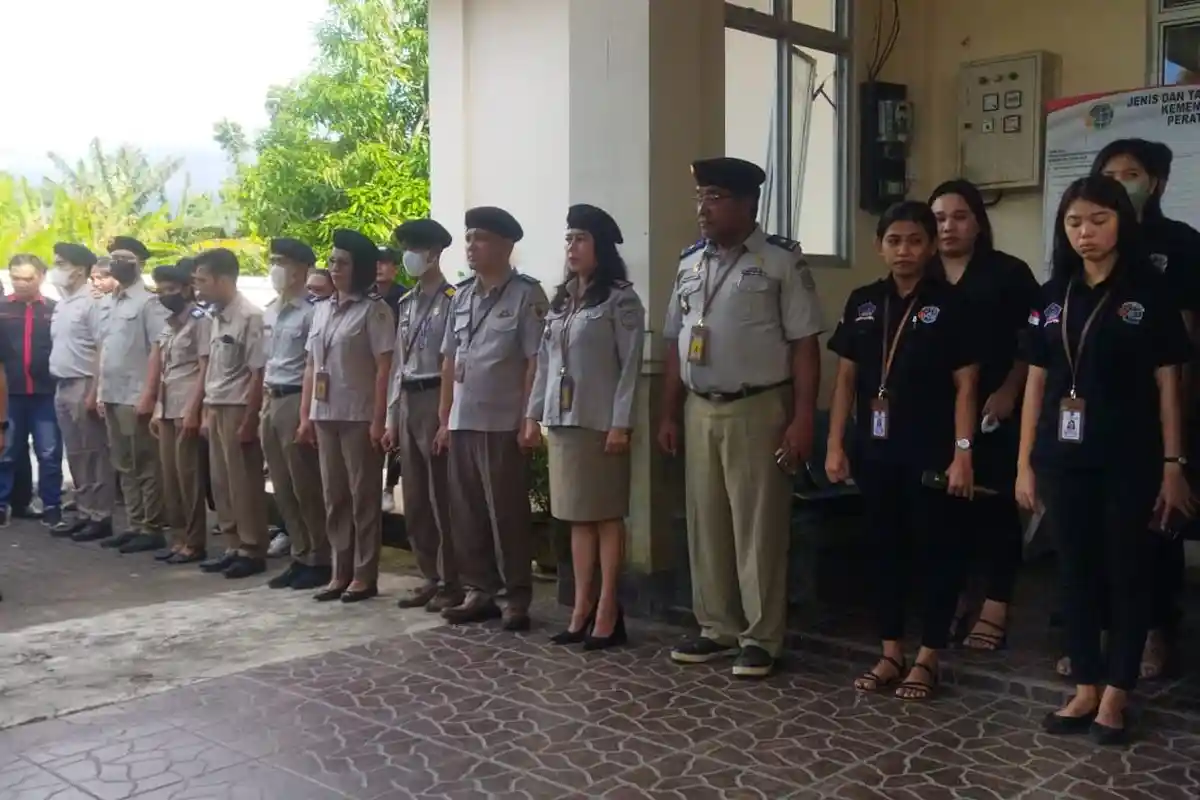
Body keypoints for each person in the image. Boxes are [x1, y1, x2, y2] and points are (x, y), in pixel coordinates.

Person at [1018, 175, 1193, 744]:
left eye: (1098, 219)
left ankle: (1118, 693)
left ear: (1122, 221)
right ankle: (1085, 686)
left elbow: (1170, 384)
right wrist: (1024, 463)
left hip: (1129, 456)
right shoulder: (1051, 295)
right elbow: (1036, 385)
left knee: (1127, 571)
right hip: (1061, 457)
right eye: (1073, 223)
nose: (1085, 233)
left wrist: (1174, 462)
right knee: (1073, 571)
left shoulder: (1151, 292)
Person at [658, 157, 824, 678]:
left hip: (759, 407)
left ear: (748, 203)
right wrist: (668, 412)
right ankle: (718, 627)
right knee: (707, 523)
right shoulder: (689, 263)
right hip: (699, 407)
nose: (702, 209)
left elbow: (804, 346)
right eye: (699, 198)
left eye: (714, 197)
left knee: (758, 527)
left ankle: (761, 636)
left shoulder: (780, 262)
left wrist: (802, 421)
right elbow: (673, 343)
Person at [826, 200, 980, 700]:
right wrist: (834, 445)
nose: (904, 250)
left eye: (915, 240)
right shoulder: (864, 301)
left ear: (931, 245)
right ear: (879, 247)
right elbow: (845, 379)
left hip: (931, 451)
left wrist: (963, 452)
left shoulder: (952, 303)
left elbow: (966, 387)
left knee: (935, 552)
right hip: (874, 449)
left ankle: (929, 656)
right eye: (894, 241)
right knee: (883, 552)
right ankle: (891, 651)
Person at [1092, 138, 1200, 679]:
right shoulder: (1092, 240)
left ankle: (1158, 629)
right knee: (1096, 525)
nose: (1119, 181)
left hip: (1162, 403)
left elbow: (1184, 338)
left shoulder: (1178, 243)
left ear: (1155, 182)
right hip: (1097, 407)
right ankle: (1100, 629)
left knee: (1157, 524)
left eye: (1130, 173)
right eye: (1108, 172)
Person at [522, 204, 645, 650]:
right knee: (575, 518)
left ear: (601, 248)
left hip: (600, 424)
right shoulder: (561, 300)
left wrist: (621, 423)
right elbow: (545, 365)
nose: (572, 247)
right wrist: (533, 415)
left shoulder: (620, 299)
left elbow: (630, 366)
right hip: (564, 423)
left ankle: (609, 611)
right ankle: (581, 608)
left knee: (605, 518)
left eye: (581, 239)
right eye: (569, 238)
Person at [928, 180, 1040, 651]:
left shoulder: (1008, 272)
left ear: (978, 222)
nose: (948, 227)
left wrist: (1011, 389)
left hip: (995, 407)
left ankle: (996, 604)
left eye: (959, 216)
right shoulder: (924, 274)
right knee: (944, 511)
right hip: (936, 411)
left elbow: (1033, 342)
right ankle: (951, 598)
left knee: (994, 508)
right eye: (938, 218)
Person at [436, 206, 548, 630]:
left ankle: (515, 596)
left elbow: (534, 361)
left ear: (506, 245)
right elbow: (449, 362)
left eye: (480, 238)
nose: (471, 245)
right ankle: (477, 589)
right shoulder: (461, 296)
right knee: (467, 512)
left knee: (507, 514)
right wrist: (445, 420)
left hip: (502, 422)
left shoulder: (526, 295)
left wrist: (529, 418)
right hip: (464, 420)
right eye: (468, 238)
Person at [298, 229, 394, 603]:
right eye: (332, 261)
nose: (335, 268)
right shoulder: (320, 309)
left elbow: (385, 367)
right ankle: (340, 570)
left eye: (343, 263)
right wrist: (306, 415)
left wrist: (379, 419)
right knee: (334, 495)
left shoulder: (374, 311)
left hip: (358, 414)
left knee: (362, 496)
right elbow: (310, 365)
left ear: (360, 269)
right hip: (326, 414)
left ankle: (364, 574)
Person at [383, 218, 460, 611]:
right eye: (406, 248)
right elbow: (398, 364)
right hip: (410, 399)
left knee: (441, 495)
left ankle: (452, 578)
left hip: (436, 396)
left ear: (434, 253)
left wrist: (446, 418)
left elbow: (452, 362)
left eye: (416, 248)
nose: (409, 256)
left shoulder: (452, 299)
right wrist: (390, 418)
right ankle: (429, 574)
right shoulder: (406, 302)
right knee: (413, 499)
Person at [192, 248, 268, 579]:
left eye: (202, 281)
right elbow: (213, 371)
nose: (198, 289)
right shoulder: (214, 317)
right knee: (221, 482)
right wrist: (207, 411)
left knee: (243, 483)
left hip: (239, 407)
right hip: (217, 405)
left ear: (223, 279)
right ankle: (233, 544)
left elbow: (257, 372)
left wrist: (251, 419)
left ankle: (252, 548)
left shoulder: (250, 316)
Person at [262, 238, 331, 591]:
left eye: (282, 262)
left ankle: (320, 556)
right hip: (271, 398)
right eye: (273, 260)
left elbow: (314, 366)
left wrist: (308, 415)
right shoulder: (271, 310)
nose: (276, 268)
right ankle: (300, 554)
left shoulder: (313, 312)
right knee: (282, 486)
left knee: (305, 485)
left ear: (302, 269)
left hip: (295, 400)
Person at [94, 237, 171, 551]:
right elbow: (106, 351)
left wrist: (149, 396)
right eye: (113, 257)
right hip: (112, 393)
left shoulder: (149, 302)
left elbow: (159, 348)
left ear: (139, 263)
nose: (117, 263)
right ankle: (135, 523)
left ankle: (151, 527)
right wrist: (100, 392)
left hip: (135, 394)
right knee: (123, 464)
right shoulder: (110, 301)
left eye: (124, 258)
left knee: (146, 464)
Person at [47, 243, 115, 542]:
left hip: (83, 382)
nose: (56, 268)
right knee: (75, 454)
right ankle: (85, 511)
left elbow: (103, 348)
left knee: (94, 453)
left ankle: (101, 516)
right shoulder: (63, 303)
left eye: (61, 263)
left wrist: (95, 391)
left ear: (79, 269)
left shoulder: (93, 302)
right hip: (62, 384)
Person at [146, 265, 210, 564]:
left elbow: (203, 368)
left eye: (170, 289)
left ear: (186, 289)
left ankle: (195, 542)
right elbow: (163, 370)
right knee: (170, 478)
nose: (165, 295)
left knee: (189, 478)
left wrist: (194, 408)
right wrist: (158, 406)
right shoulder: (168, 323)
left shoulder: (200, 321)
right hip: (168, 406)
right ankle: (179, 538)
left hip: (187, 407)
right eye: (160, 290)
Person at [0, 255, 63, 527]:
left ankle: (51, 506)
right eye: (16, 278)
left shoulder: (54, 310)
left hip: (45, 393)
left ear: (42, 276)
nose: (22, 283)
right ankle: (2, 505)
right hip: (10, 393)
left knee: (49, 453)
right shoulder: (2, 309)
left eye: (28, 278)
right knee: (7, 452)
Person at [376, 246, 407, 513]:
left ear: (395, 269)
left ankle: (389, 486)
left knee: (393, 427)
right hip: (374, 371)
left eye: (386, 264)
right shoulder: (367, 297)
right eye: (377, 263)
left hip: (399, 369)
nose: (380, 268)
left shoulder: (403, 297)